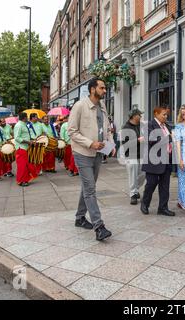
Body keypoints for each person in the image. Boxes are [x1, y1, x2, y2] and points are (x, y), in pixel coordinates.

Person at [68, 78, 116, 242]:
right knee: (90, 189)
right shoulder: (80, 106)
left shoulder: (102, 106)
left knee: (89, 187)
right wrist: (91, 143)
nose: (104, 90)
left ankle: (80, 217)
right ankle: (99, 227)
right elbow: (72, 132)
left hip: (99, 152)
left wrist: (111, 144)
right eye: (102, 88)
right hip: (82, 153)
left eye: (105, 88)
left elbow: (107, 128)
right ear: (92, 89)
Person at [140, 106, 175, 217]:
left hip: (167, 160)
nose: (166, 116)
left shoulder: (167, 126)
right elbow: (153, 140)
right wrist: (170, 137)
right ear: (156, 113)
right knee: (151, 184)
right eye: (163, 114)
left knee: (165, 186)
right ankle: (145, 204)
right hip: (153, 160)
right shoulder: (149, 125)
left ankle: (163, 208)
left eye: (166, 115)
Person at [120, 109, 146, 205]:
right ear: (134, 116)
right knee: (133, 175)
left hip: (142, 154)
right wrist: (138, 140)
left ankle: (136, 188)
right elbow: (125, 144)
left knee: (143, 174)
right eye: (139, 114)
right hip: (131, 155)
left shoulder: (141, 125)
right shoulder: (125, 128)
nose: (141, 116)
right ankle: (133, 194)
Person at [14, 112, 38, 187]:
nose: (27, 118)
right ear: (24, 118)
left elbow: (25, 135)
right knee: (22, 166)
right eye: (27, 117)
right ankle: (21, 181)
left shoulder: (23, 124)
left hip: (25, 148)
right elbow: (17, 138)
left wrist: (31, 140)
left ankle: (25, 179)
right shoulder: (18, 125)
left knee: (26, 165)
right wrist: (28, 141)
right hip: (21, 148)